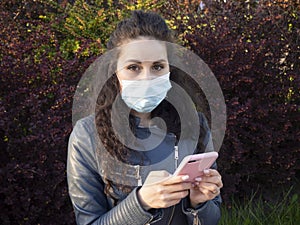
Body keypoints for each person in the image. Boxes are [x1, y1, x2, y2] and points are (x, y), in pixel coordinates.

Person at [67, 10, 223, 225]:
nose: (147, 78)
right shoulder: (87, 136)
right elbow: (89, 221)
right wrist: (140, 203)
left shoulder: (194, 124)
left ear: (170, 69)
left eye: (158, 67)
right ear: (115, 72)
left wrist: (199, 204)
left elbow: (213, 217)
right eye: (133, 67)